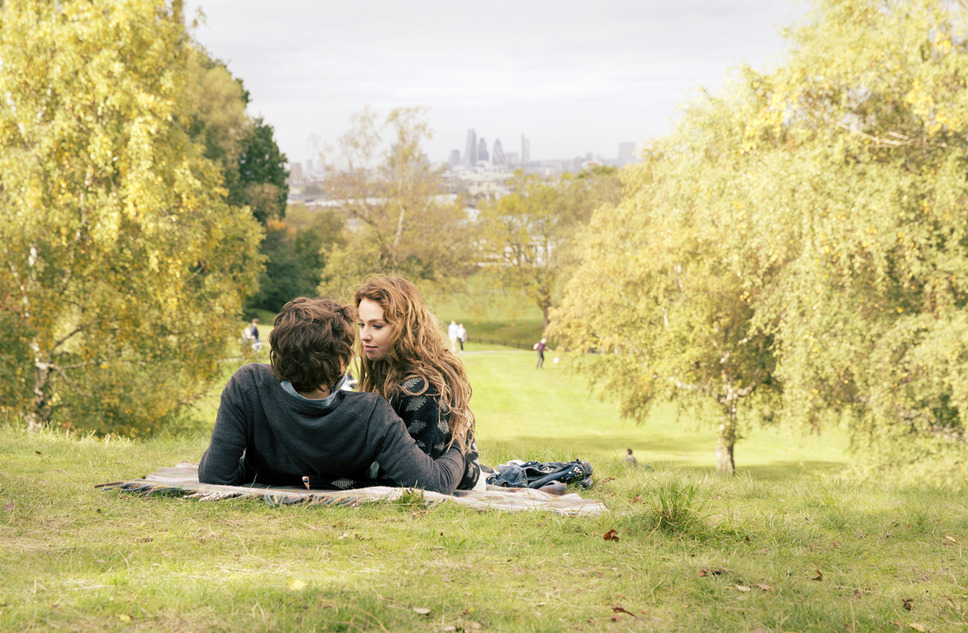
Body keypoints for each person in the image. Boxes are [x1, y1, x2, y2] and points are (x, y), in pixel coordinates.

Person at [198, 297, 467, 494]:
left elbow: (216, 474)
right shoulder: (372, 413)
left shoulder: (248, 384)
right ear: (341, 362)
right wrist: (459, 444)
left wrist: (257, 465)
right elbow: (435, 483)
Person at [355, 277, 481, 490]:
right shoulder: (386, 367)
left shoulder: (422, 388)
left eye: (377, 326)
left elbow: (418, 482)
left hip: (452, 483)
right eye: (361, 324)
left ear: (405, 327)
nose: (365, 335)